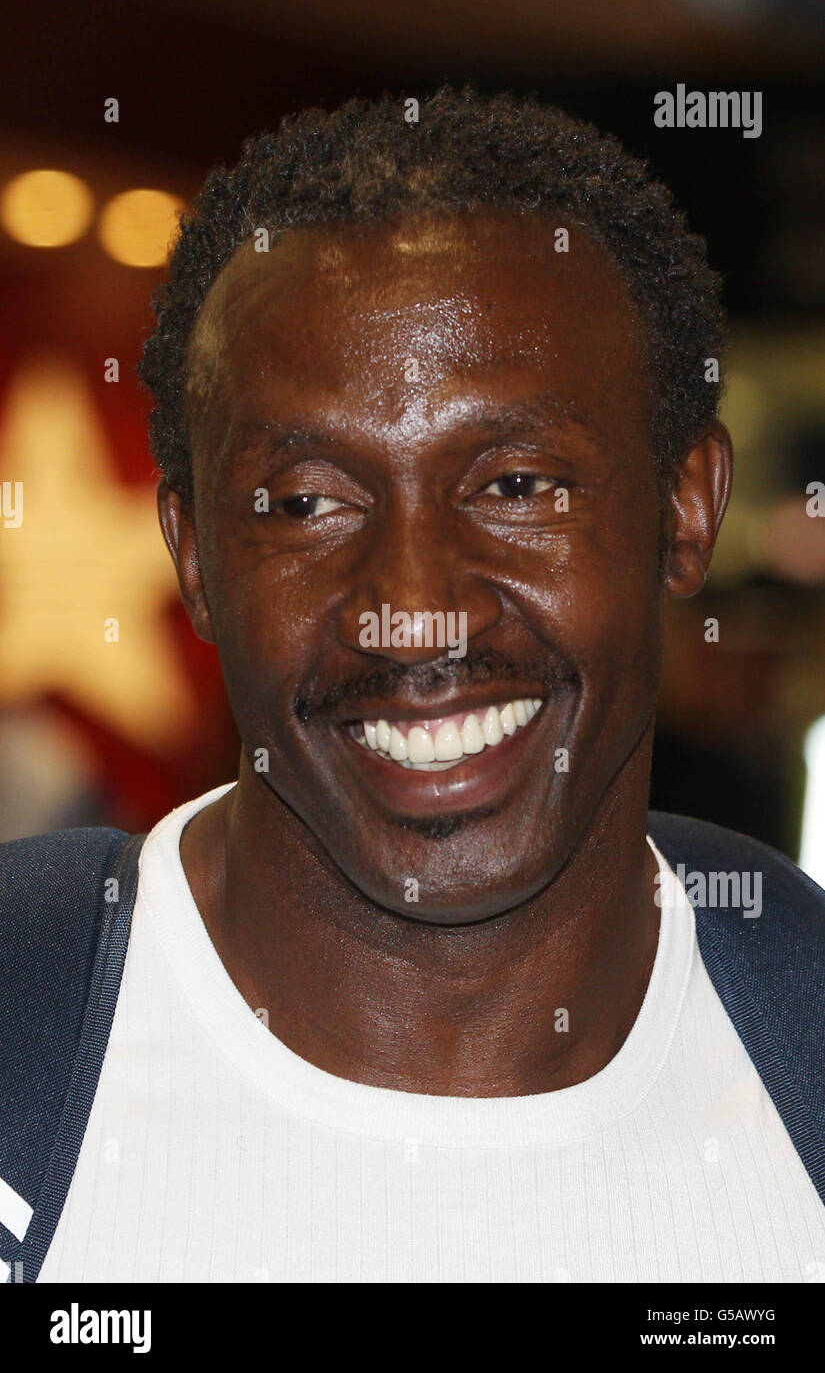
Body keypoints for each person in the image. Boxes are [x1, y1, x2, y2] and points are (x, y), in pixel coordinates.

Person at [2, 86, 823, 1285]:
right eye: (307, 502)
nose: (414, 604)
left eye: (517, 485)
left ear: (686, 509)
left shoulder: (797, 1033)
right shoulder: (30, 1017)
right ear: (193, 559)